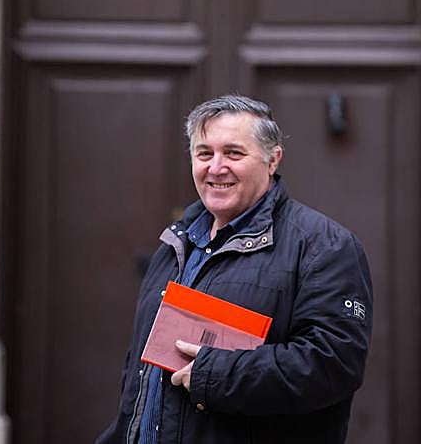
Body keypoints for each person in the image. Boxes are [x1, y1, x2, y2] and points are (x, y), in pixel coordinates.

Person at [96, 94, 372, 444]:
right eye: (204, 153)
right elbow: (142, 373)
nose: (215, 167)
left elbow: (333, 365)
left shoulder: (324, 245)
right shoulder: (175, 245)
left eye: (233, 153)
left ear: (273, 160)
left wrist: (215, 374)